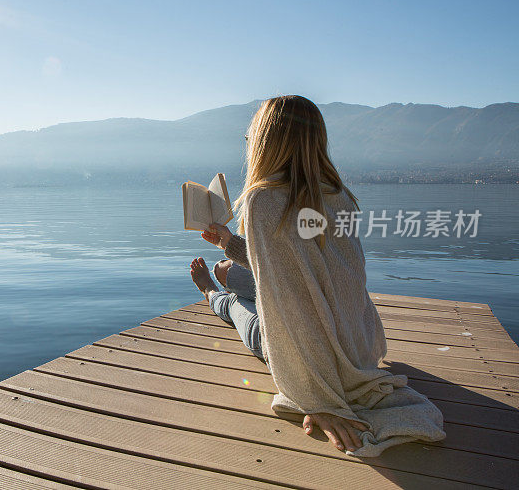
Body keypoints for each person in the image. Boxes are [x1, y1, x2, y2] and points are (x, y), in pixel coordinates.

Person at [189, 95, 445, 456]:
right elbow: (308, 271)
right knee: (238, 273)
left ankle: (214, 296)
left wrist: (317, 395)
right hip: (357, 343)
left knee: (239, 307)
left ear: (265, 141)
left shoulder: (263, 199)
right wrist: (231, 243)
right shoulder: (338, 195)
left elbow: (288, 301)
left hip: (307, 348)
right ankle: (227, 278)